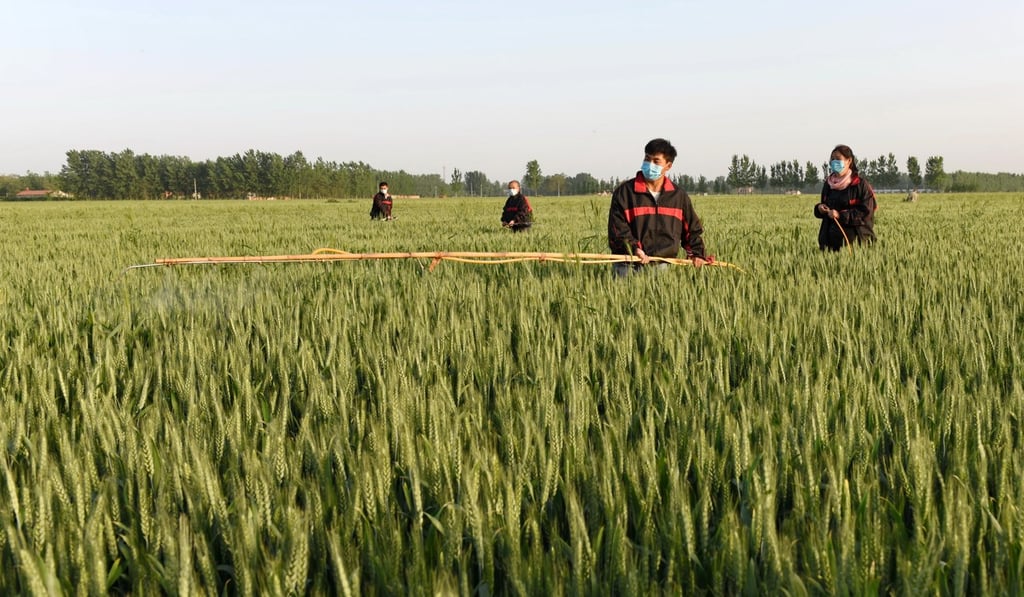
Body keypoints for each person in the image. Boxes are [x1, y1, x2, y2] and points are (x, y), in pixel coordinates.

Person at [608, 138, 708, 276]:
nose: (650, 164)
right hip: (627, 265)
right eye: (647, 159)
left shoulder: (678, 196)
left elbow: (692, 230)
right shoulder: (625, 192)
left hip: (662, 267)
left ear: (668, 166)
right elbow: (617, 229)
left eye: (656, 161)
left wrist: (697, 254)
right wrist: (634, 248)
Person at [814, 145, 876, 250]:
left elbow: (866, 212)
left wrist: (840, 215)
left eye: (838, 159)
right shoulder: (828, 184)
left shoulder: (860, 184)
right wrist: (820, 208)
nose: (834, 162)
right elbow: (825, 206)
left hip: (856, 244)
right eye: (832, 159)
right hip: (829, 244)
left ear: (849, 160)